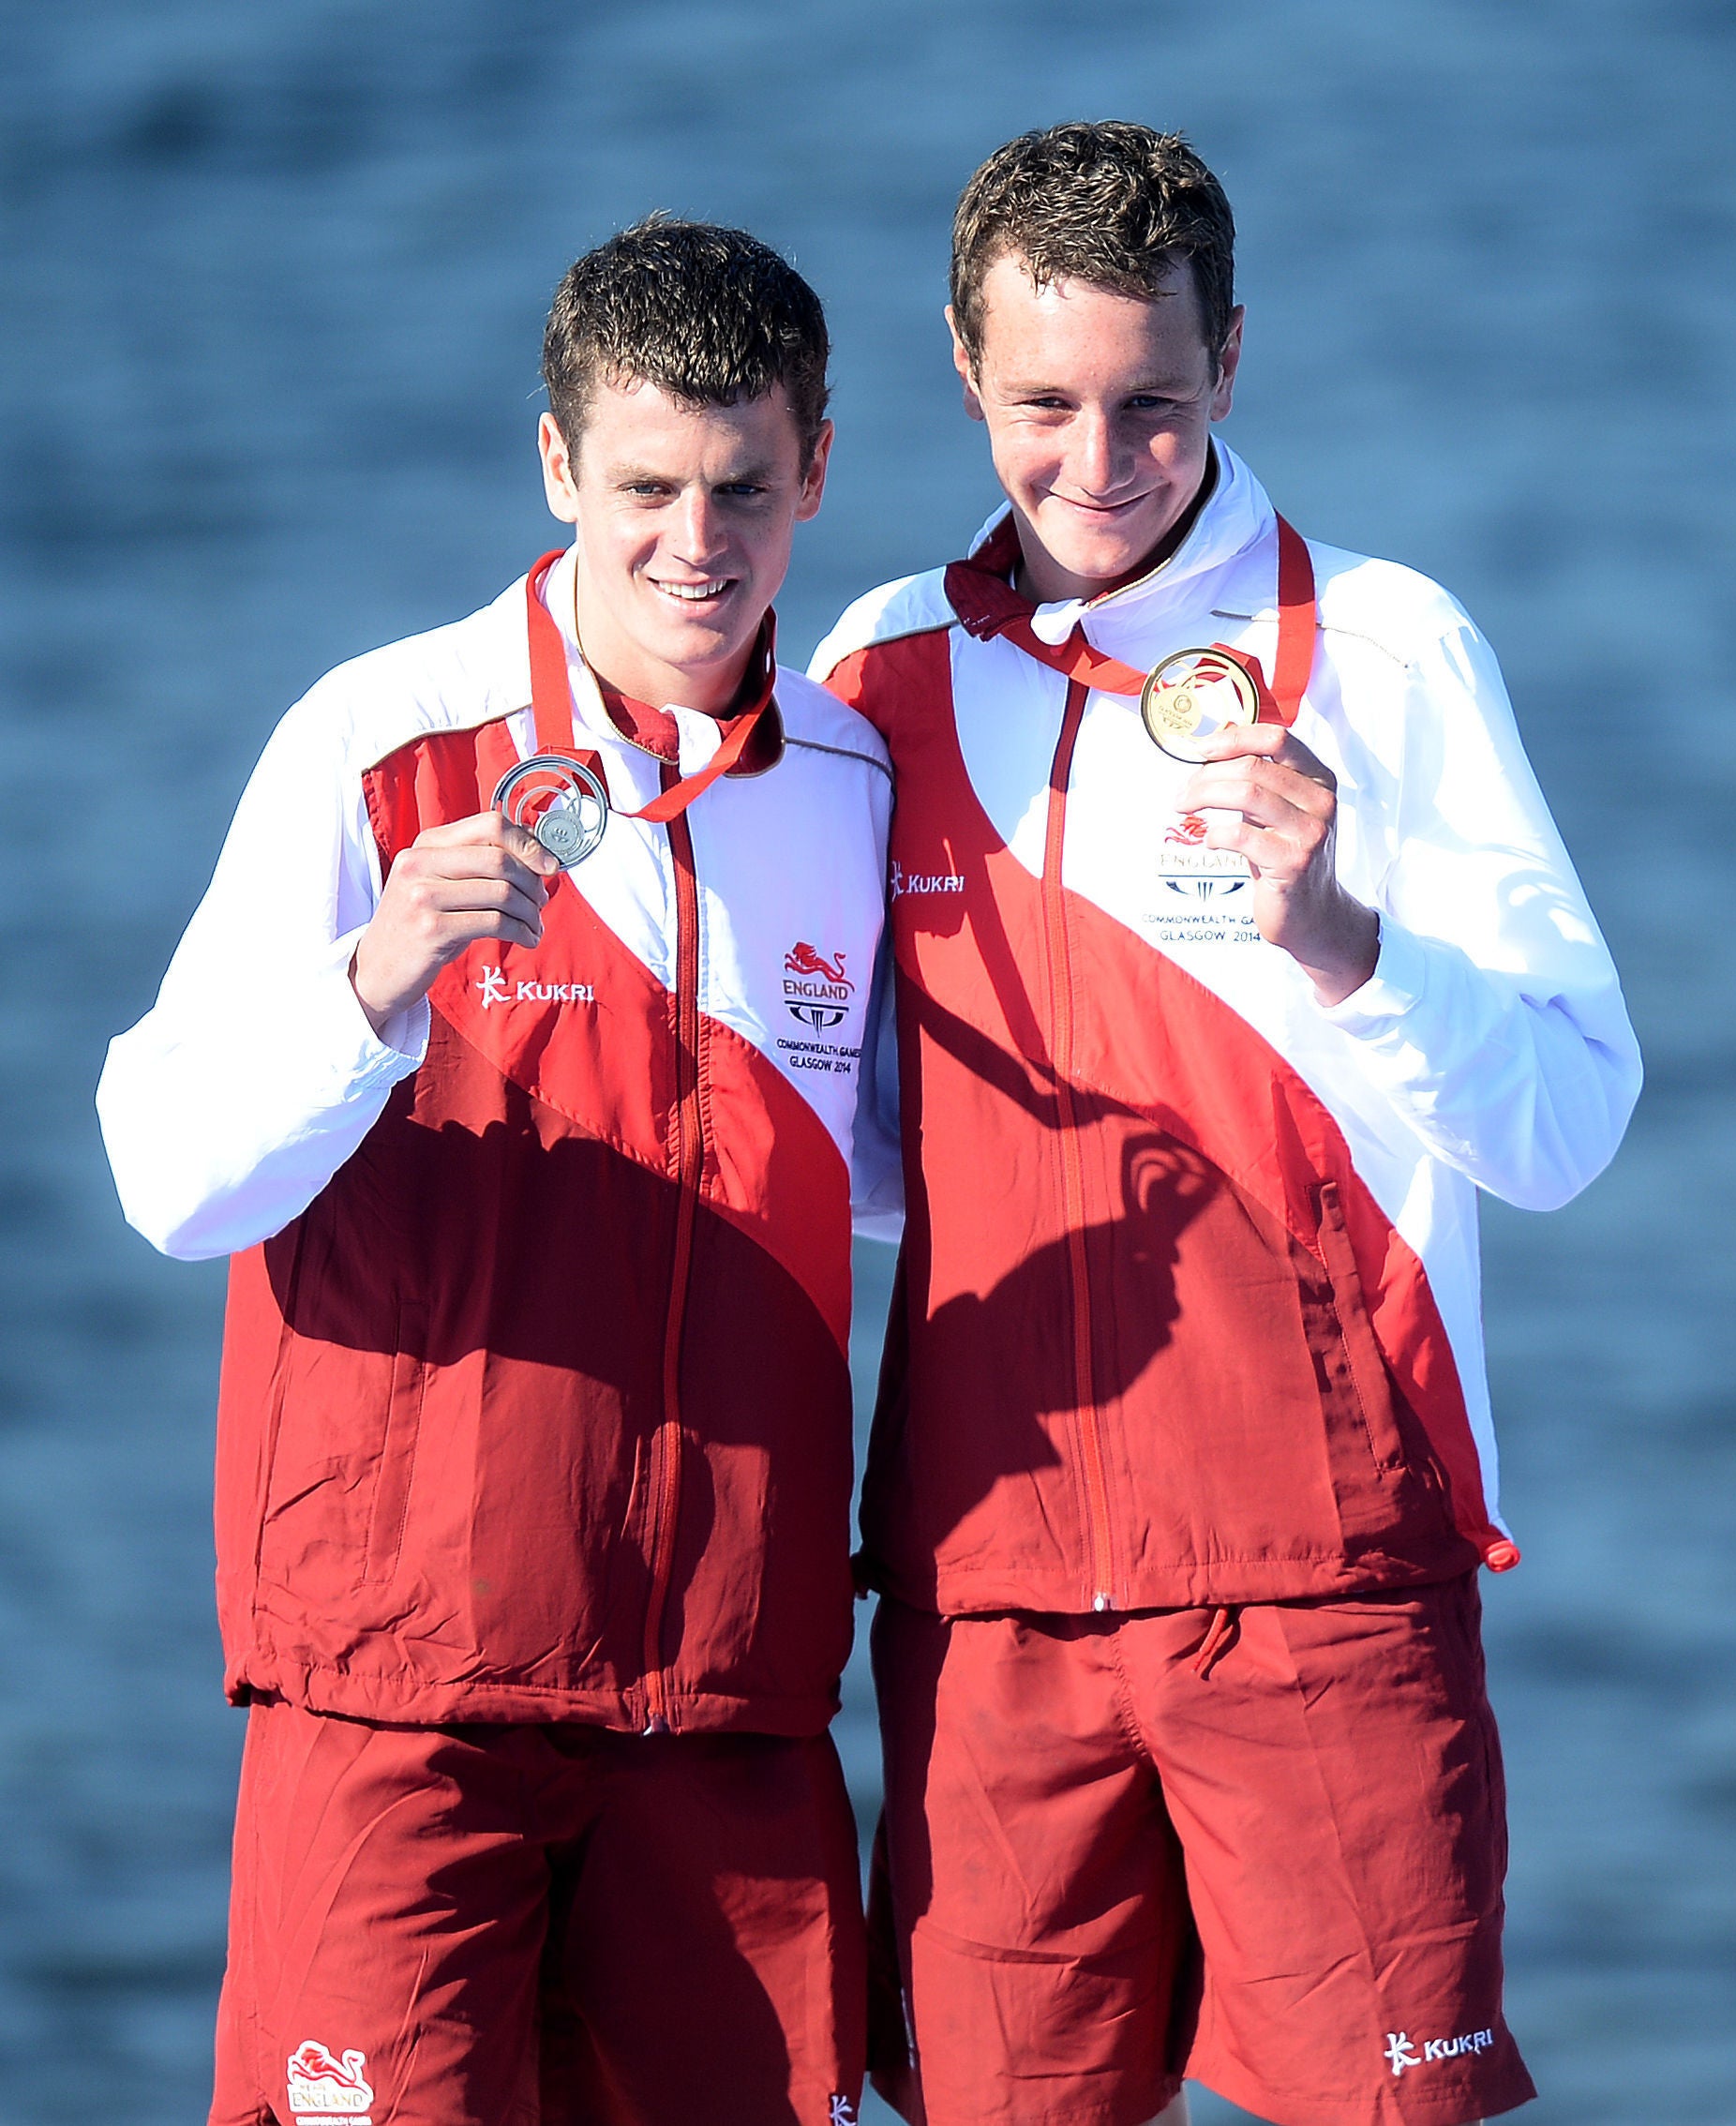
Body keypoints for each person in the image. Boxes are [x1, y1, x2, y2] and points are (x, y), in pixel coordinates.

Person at [812, 122, 1640, 2126]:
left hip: (1327, 1576)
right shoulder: (870, 675)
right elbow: (856, 1152)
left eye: (1153, 408)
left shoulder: (1393, 649)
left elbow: (1570, 1124)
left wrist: (1355, 949)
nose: (1098, 469)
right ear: (958, 367)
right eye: (1043, 408)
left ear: (1236, 361)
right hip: (990, 1592)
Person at [98, 217, 896, 2126]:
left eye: (742, 489)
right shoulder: (380, 746)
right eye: (643, 488)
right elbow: (164, 1167)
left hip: (730, 1715)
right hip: (405, 1710)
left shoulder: (855, 787)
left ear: (818, 469)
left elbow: (888, 1173)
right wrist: (373, 986)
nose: (694, 545)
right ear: (555, 467)